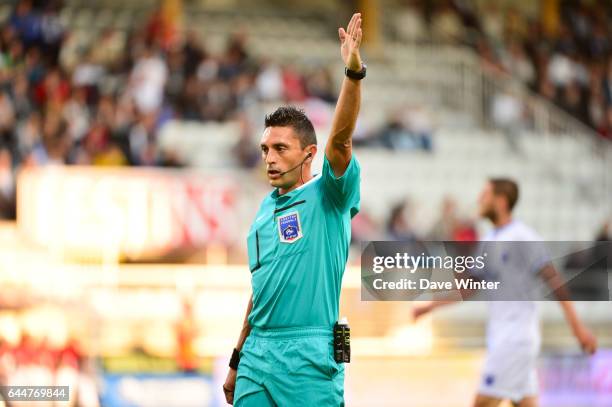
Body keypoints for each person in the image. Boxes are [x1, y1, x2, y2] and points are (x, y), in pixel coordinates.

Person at [223, 13, 365, 406]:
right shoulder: (263, 214)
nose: (269, 158)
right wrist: (237, 358)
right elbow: (260, 293)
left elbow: (341, 140)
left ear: (309, 154)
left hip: (310, 357)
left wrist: (353, 74)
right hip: (257, 357)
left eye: (280, 148)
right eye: (265, 149)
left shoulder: (329, 196)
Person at [413, 178, 597, 407]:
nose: (479, 199)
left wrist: (578, 329)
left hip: (515, 339)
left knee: (482, 402)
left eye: (485, 194)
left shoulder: (522, 237)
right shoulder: (489, 240)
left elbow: (555, 282)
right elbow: (469, 287)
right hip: (503, 337)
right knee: (525, 403)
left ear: (500, 201)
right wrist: (428, 307)